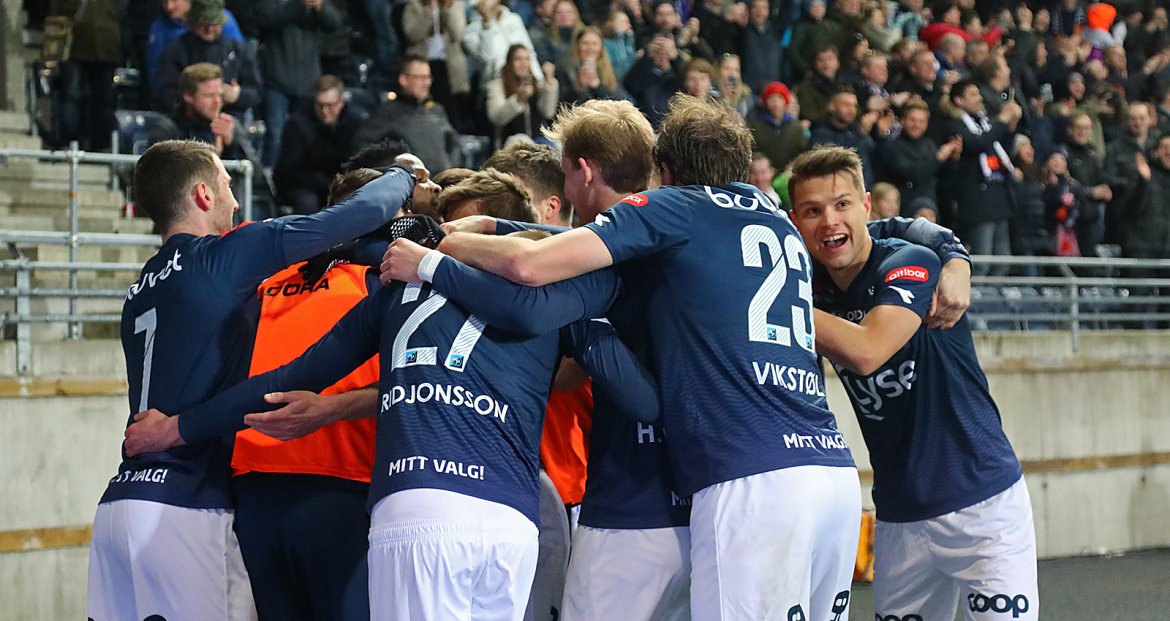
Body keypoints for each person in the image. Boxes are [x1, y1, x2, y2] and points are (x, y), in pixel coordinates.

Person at [420, 95, 861, 620]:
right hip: (831, 468)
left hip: (748, 472)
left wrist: (437, 254)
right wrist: (501, 226)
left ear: (666, 172)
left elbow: (531, 268)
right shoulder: (776, 220)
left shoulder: (673, 209)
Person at [122, 222, 660, 621]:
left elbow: (287, 378)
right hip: (510, 523)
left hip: (418, 508)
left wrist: (179, 427)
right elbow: (642, 402)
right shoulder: (556, 300)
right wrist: (595, 313)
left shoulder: (399, 287)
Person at [87, 140, 423, 621]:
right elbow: (359, 214)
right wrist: (405, 174)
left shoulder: (141, 286)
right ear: (203, 194)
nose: (235, 201)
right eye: (227, 185)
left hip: (125, 500)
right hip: (190, 503)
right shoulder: (226, 257)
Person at [787, 144, 1038, 621]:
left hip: (983, 504)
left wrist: (775, 302)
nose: (830, 221)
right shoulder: (807, 281)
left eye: (842, 204)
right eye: (813, 211)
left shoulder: (910, 260)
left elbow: (866, 352)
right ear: (795, 221)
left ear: (866, 206)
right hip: (900, 515)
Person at [229, 168, 391, 621]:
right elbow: (411, 386)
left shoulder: (268, 278)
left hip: (253, 486)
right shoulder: (379, 281)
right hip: (339, 483)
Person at [254, 0, 341, 168]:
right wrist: (301, 5)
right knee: (275, 136)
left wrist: (319, 7)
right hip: (276, 80)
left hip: (308, 82)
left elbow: (334, 23)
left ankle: (303, 176)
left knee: (308, 136)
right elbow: (266, 18)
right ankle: (268, 179)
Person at [154, 0, 263, 116]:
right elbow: (164, 92)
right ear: (192, 23)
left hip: (231, 117)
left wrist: (237, 95)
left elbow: (256, 91)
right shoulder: (176, 51)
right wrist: (195, 99)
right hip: (188, 120)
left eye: (215, 24)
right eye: (204, 23)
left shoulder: (236, 50)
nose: (209, 29)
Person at [353, 56, 460, 173]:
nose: (427, 83)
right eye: (421, 78)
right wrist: (392, 170)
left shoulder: (436, 110)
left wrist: (451, 168)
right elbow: (361, 144)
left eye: (429, 77)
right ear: (403, 80)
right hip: (410, 182)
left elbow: (454, 143)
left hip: (440, 181)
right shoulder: (388, 111)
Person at [275, 74, 362, 214]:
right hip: (304, 185)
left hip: (340, 183)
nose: (324, 111)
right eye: (320, 105)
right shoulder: (297, 124)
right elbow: (291, 170)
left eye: (330, 106)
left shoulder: (354, 123)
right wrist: (328, 183)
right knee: (307, 203)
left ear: (341, 103)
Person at [147, 0, 245, 82]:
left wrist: (237, 93)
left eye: (175, 0)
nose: (169, 6)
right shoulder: (161, 30)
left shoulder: (227, 25)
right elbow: (157, 74)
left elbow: (243, 66)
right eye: (164, 1)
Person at [486, 44, 559, 148]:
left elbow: (548, 112)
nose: (524, 63)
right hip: (510, 142)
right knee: (523, 141)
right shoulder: (498, 86)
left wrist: (549, 83)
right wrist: (518, 99)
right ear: (510, 62)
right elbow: (496, 117)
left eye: (527, 59)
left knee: (558, 145)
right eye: (518, 59)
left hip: (538, 140)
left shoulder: (536, 84)